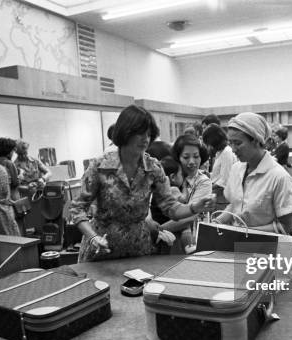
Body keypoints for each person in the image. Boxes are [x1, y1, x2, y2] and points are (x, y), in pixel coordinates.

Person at [69, 105, 215, 262]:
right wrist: (93, 237)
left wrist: (195, 207)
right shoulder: (100, 166)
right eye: (140, 133)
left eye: (148, 134)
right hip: (101, 248)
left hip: (138, 250)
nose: (145, 139)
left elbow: (171, 208)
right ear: (125, 132)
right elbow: (77, 208)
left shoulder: (153, 167)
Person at [215, 112, 292, 234]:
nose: (233, 149)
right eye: (230, 143)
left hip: (266, 247)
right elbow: (235, 205)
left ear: (256, 140)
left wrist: (246, 232)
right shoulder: (236, 169)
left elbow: (286, 226)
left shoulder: (279, 177)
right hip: (237, 242)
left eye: (238, 143)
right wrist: (217, 222)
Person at [159, 135, 212, 253]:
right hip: (166, 239)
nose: (192, 162)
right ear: (178, 157)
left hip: (191, 241)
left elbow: (190, 217)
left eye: (196, 157)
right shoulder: (171, 175)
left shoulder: (203, 181)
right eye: (186, 157)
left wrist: (158, 230)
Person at [202, 124, 237, 211]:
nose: (208, 147)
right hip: (218, 197)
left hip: (223, 199)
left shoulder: (226, 153)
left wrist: (206, 187)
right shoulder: (219, 153)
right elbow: (218, 175)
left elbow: (225, 180)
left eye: (208, 144)